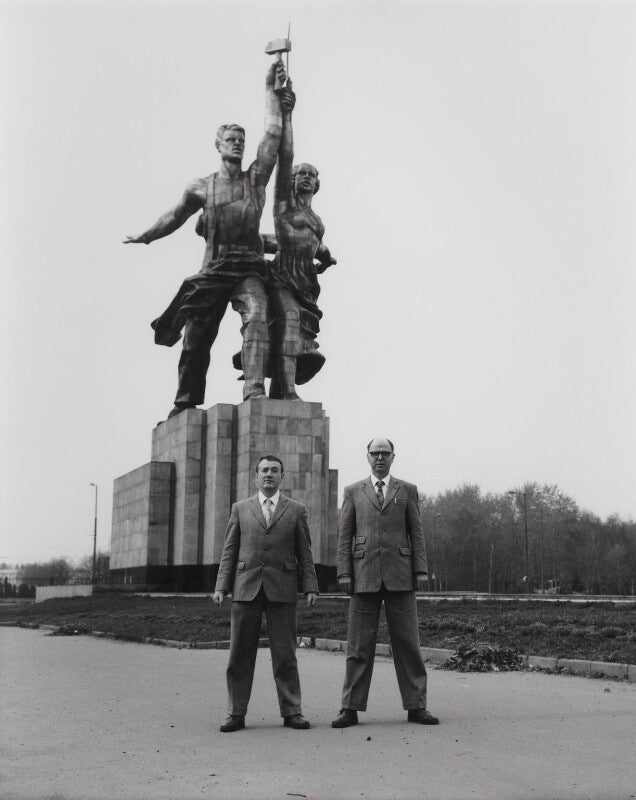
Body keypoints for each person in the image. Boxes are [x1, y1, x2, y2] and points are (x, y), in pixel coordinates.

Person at [124, 61, 287, 418]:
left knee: (257, 315)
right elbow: (175, 215)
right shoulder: (201, 186)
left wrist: (270, 89)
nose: (238, 145)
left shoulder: (255, 180)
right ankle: (185, 402)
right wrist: (148, 236)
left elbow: (273, 136)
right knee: (196, 339)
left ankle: (255, 390)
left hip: (247, 268)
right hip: (213, 270)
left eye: (241, 141)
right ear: (217, 144)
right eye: (231, 140)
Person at [331, 438, 439, 727]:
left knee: (408, 645)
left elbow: (416, 533)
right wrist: (344, 572)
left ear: (393, 457)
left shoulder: (407, 490)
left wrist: (420, 570)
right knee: (358, 647)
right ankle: (350, 708)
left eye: (385, 453)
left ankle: (417, 706)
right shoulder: (354, 491)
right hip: (363, 576)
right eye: (375, 453)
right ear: (367, 457)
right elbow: (345, 535)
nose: (380, 458)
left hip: (401, 576)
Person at [212, 455, 319, 732]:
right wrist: (221, 586)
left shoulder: (296, 510)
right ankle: (235, 713)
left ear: (282, 476)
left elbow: (304, 553)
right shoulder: (241, 508)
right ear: (256, 476)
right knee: (239, 654)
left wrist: (311, 586)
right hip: (246, 588)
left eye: (274, 470)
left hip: (282, 589)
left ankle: (292, 711)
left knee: (285, 654)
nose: (269, 474)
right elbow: (229, 551)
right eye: (264, 470)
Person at [264, 84, 336, 399]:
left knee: (294, 336)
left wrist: (326, 259)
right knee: (289, 323)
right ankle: (288, 390)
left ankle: (280, 389)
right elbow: (285, 155)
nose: (306, 177)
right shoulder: (284, 205)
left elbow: (319, 246)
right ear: (292, 181)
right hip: (282, 274)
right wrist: (287, 115)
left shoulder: (317, 221)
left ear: (317, 184)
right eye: (301, 174)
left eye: (311, 174)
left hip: (306, 281)